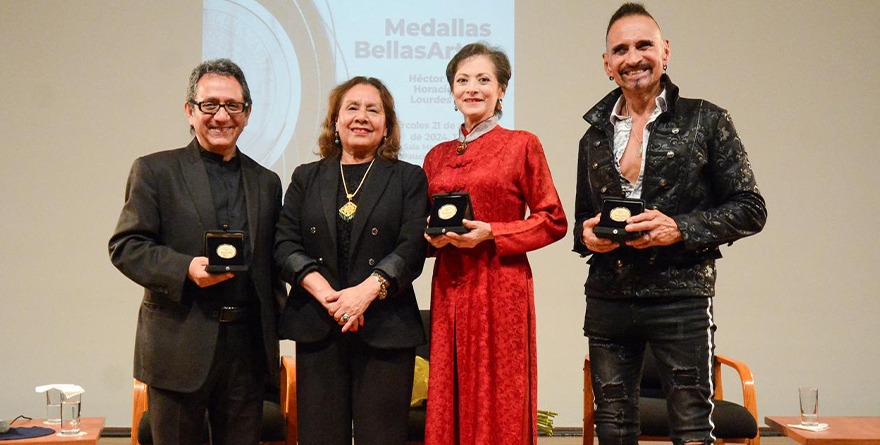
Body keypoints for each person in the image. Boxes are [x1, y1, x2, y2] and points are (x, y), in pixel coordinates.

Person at [573, 4, 768, 445]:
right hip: (608, 298)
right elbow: (582, 220)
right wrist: (587, 235)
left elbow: (751, 207)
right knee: (612, 426)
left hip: (681, 295)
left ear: (665, 51)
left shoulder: (707, 119)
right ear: (607, 64)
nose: (633, 57)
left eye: (644, 44)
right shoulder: (593, 135)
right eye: (620, 49)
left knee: (692, 425)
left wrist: (679, 227)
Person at [109, 58, 284, 445]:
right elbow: (126, 246)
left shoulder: (267, 182)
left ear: (247, 113)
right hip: (178, 347)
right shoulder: (155, 171)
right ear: (190, 111)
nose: (221, 116)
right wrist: (186, 268)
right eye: (210, 105)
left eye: (232, 106)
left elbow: (275, 258)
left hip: (247, 351)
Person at [422, 42, 568, 445]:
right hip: (449, 283)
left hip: (500, 286)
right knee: (449, 389)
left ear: (501, 89)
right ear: (451, 91)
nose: (472, 88)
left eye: (484, 80)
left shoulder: (522, 143)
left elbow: (554, 220)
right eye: (463, 80)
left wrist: (495, 233)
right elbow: (429, 225)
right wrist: (429, 237)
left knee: (498, 391)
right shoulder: (435, 155)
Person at [274, 76, 429, 445]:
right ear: (335, 121)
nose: (362, 117)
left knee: (382, 437)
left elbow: (411, 248)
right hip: (318, 323)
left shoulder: (409, 178)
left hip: (386, 327)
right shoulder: (306, 177)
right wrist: (330, 296)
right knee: (320, 436)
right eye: (352, 108)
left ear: (387, 125)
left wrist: (364, 294)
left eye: (373, 110)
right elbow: (283, 244)